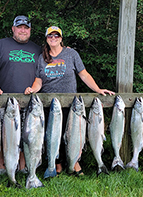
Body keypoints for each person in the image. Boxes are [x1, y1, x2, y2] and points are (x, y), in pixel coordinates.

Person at [24, 26, 115, 176]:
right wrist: (32, 89)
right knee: (54, 136)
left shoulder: (71, 54)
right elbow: (38, 81)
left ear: (61, 38)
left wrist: (97, 89)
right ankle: (57, 165)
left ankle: (75, 163)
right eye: (50, 36)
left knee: (73, 135)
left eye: (56, 35)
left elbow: (84, 75)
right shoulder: (42, 58)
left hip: (70, 105)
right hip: (50, 104)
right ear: (46, 39)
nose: (53, 38)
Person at [0, 15, 42, 177]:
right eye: (19, 27)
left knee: (25, 135)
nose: (23, 30)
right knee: (2, 135)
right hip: (3, 101)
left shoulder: (38, 49)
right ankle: (2, 166)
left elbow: (46, 69)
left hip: (29, 102)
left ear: (30, 30)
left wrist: (66, 50)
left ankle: (22, 166)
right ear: (13, 28)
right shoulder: (0, 45)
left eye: (26, 27)